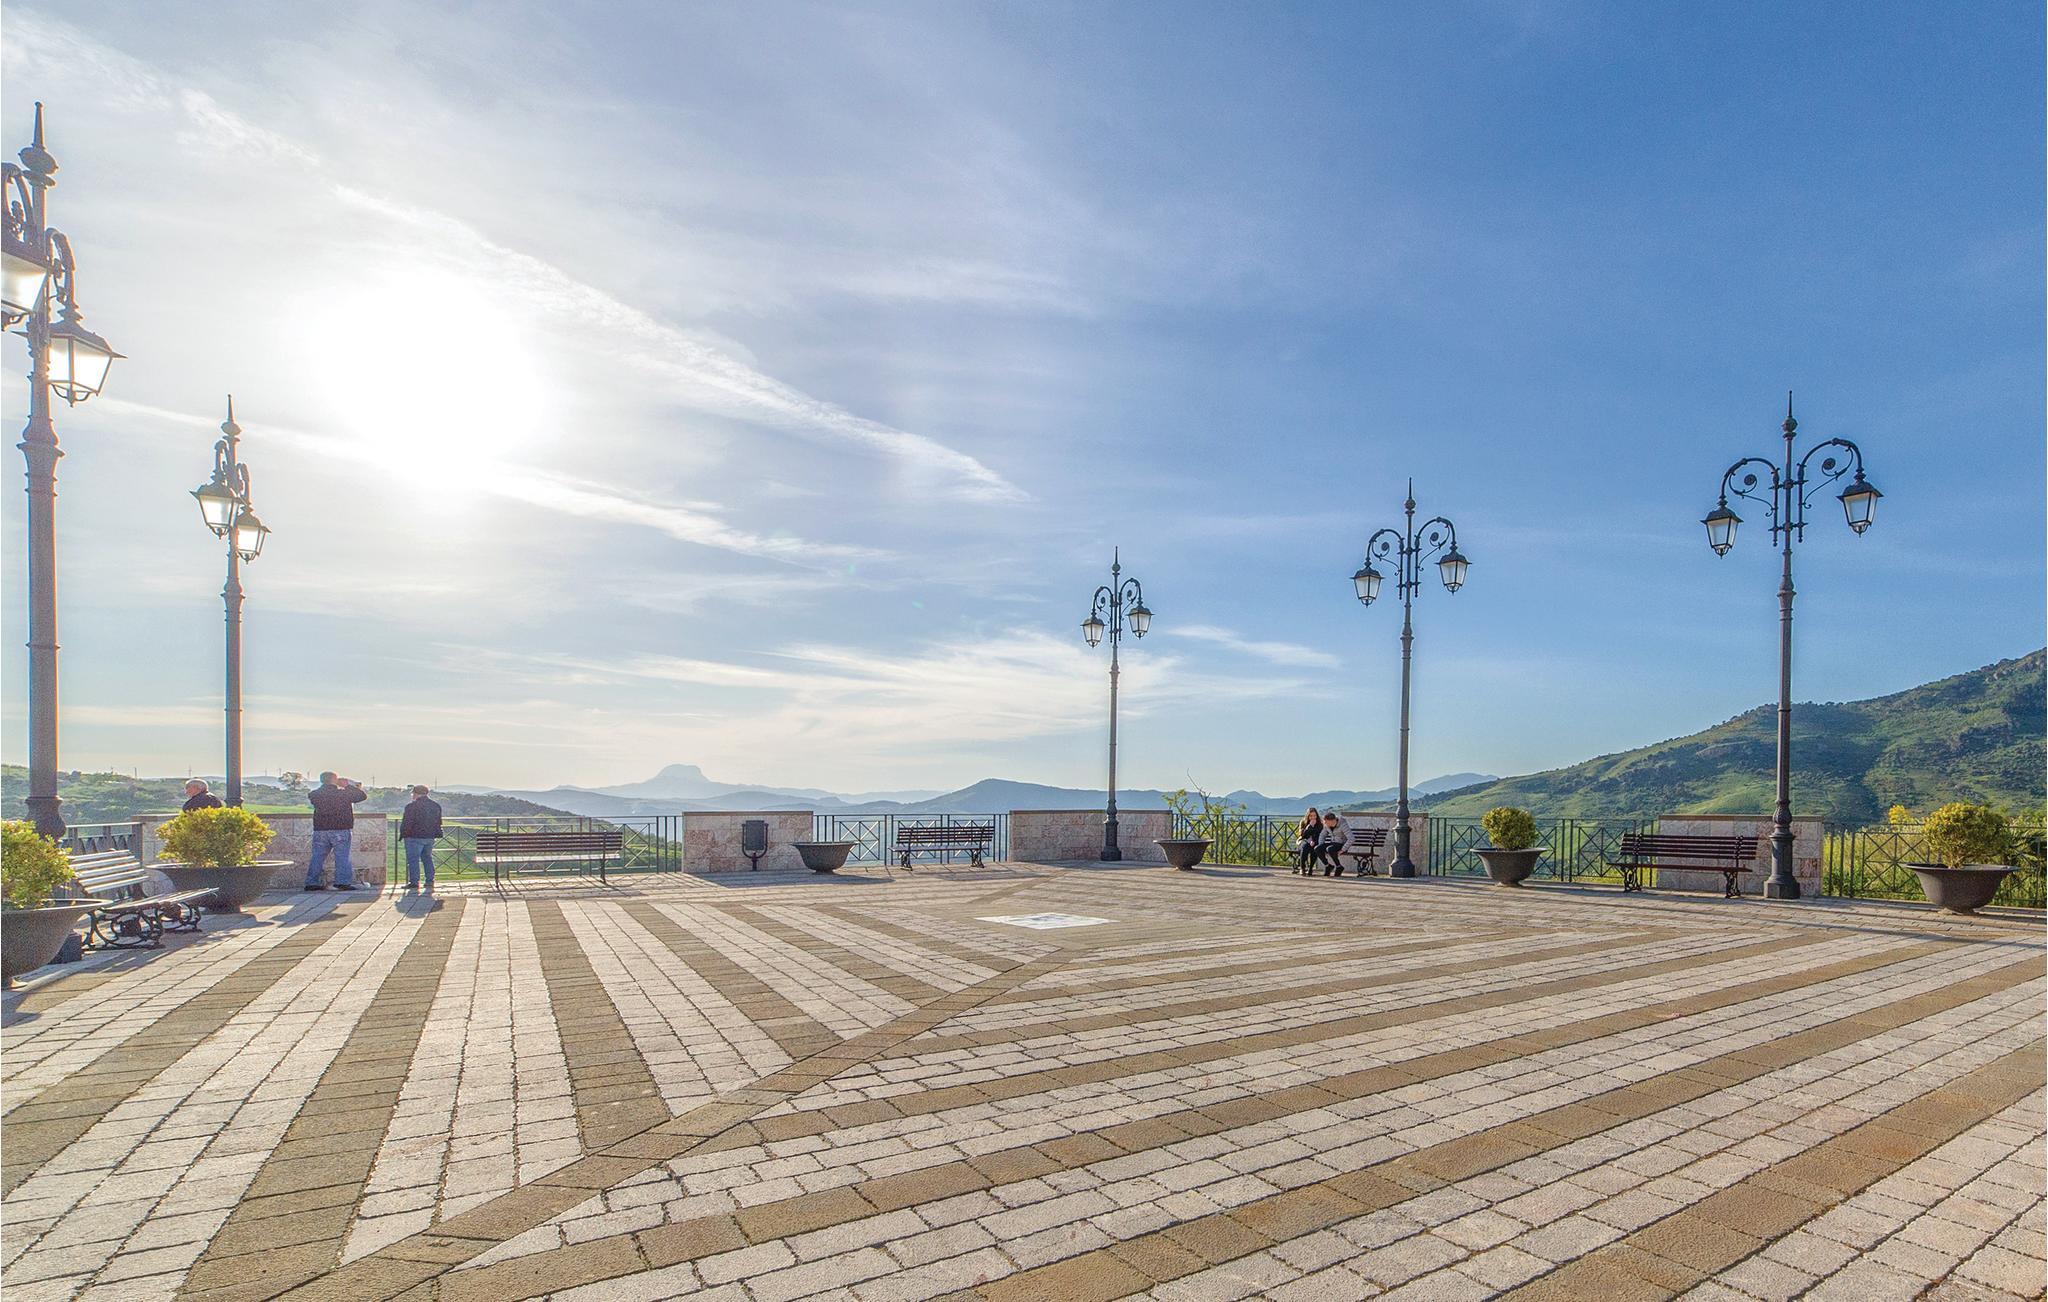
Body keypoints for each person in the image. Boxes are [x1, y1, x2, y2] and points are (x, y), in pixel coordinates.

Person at [305, 771, 368, 891]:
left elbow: (314, 796)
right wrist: (347, 786)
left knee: (317, 857)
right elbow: (362, 796)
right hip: (341, 829)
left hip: (320, 829)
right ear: (335, 780)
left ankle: (311, 882)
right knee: (342, 856)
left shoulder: (315, 794)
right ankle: (342, 882)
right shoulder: (343, 794)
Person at [399, 785, 443, 893]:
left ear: (416, 794)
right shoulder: (436, 806)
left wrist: (403, 834)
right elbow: (439, 822)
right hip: (430, 837)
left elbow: (407, 823)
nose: (412, 795)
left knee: (413, 860)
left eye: (413, 793)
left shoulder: (411, 807)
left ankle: (414, 882)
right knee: (427, 858)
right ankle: (430, 880)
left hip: (414, 837)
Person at [1315, 810, 1352, 877]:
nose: (1324, 823)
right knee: (1317, 848)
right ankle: (1328, 866)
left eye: (1326, 822)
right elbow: (1322, 835)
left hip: (1341, 844)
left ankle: (1339, 866)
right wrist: (1321, 845)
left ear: (1332, 821)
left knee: (1330, 849)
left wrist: (1343, 849)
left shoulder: (1342, 824)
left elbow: (1351, 838)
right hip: (1333, 844)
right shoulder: (1327, 826)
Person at [1294, 808, 1321, 875]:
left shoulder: (1319, 824)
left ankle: (1310, 869)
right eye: (1311, 816)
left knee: (1315, 848)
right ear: (1308, 816)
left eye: (1314, 815)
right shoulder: (1303, 822)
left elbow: (1319, 835)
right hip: (1304, 840)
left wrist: (1313, 841)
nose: (1313, 817)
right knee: (1305, 847)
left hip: (1315, 841)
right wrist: (1309, 826)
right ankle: (1302, 868)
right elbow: (1302, 835)